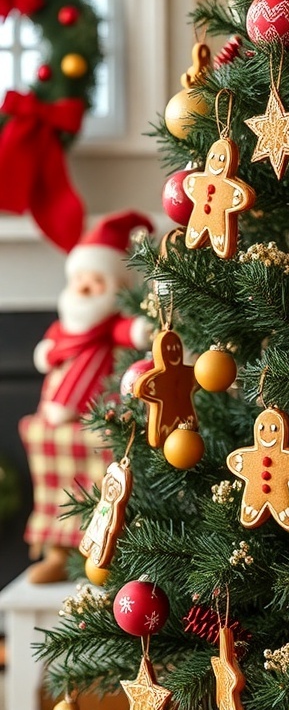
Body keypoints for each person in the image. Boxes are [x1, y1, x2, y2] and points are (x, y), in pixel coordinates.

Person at [19, 210, 153, 583]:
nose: (84, 288)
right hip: (55, 417)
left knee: (106, 465)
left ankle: (102, 548)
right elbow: (50, 350)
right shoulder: (66, 326)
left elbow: (135, 333)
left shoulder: (110, 328)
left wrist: (145, 327)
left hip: (98, 411)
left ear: (113, 287)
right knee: (46, 447)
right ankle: (57, 548)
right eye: (80, 279)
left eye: (95, 281)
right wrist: (46, 352)